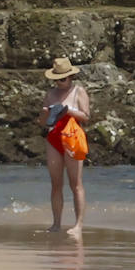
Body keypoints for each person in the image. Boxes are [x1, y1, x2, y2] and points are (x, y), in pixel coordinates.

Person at [38, 57, 90, 236]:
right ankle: (56, 223)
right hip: (54, 137)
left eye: (63, 79)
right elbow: (43, 123)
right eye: (57, 79)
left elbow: (86, 116)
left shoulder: (78, 91)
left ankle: (78, 225)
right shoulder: (50, 94)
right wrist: (46, 114)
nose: (60, 83)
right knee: (56, 184)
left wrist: (67, 110)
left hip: (73, 137)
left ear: (70, 78)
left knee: (76, 183)